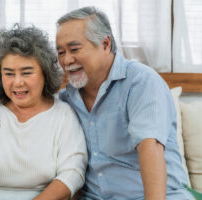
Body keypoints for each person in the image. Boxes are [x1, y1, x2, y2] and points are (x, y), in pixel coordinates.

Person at [56, 6, 193, 200]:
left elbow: (150, 148)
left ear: (105, 44)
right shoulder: (66, 99)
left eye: (74, 49)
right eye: (61, 52)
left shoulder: (141, 81)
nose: (66, 60)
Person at [0, 25, 88, 200]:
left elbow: (73, 173)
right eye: (9, 74)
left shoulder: (63, 114)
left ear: (45, 73)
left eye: (27, 73)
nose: (17, 83)